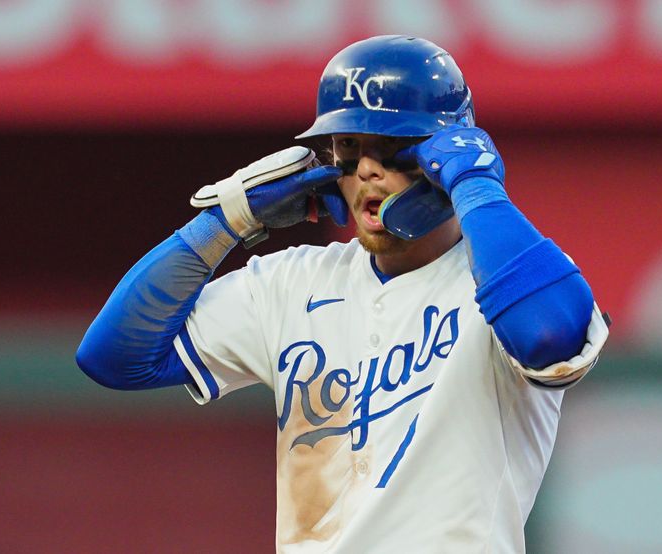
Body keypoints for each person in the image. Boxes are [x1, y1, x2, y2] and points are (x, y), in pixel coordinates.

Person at [77, 35, 609, 553]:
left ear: (446, 155)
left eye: (395, 148)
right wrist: (225, 221)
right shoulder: (291, 282)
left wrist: (476, 186)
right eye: (349, 149)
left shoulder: (510, 276)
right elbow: (116, 358)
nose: (367, 170)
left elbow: (546, 335)